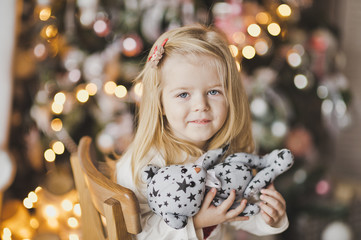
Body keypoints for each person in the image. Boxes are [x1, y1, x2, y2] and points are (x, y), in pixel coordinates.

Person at [116, 24, 289, 239]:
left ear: (231, 98)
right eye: (183, 95)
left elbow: (237, 210)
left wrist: (269, 217)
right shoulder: (143, 164)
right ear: (159, 102)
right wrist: (196, 224)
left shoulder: (226, 154)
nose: (201, 105)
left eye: (214, 91)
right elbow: (137, 234)